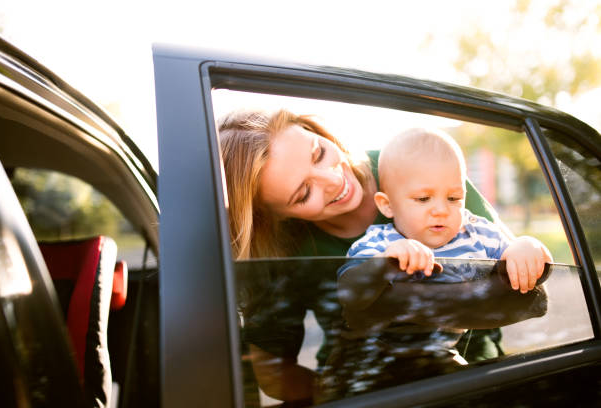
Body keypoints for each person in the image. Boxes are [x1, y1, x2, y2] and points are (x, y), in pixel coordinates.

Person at [218, 109, 540, 405]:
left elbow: (522, 284)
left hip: (470, 376)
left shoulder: (417, 164)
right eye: (303, 194)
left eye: (319, 153)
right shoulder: (283, 247)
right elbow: (272, 372)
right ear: (275, 217)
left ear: (316, 131)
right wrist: (349, 395)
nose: (334, 181)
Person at [342, 127, 552, 289]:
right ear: (387, 205)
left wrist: (526, 246)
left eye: (453, 198)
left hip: (462, 341)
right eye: (424, 199)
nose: (441, 210)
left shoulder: (478, 235)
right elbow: (348, 288)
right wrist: (383, 263)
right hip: (390, 345)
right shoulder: (380, 243)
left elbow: (527, 262)